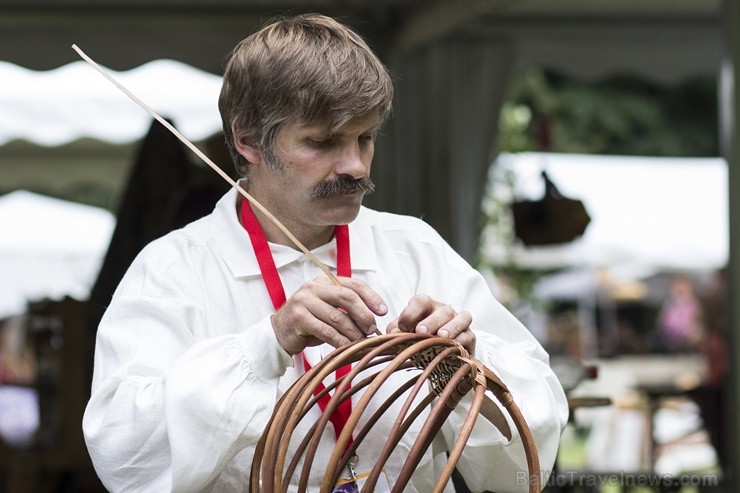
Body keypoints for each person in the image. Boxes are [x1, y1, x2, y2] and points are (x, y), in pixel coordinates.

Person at [82, 13, 568, 492]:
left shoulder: (415, 250)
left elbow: (531, 446)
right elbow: (124, 454)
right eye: (323, 142)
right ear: (248, 139)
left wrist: (463, 365)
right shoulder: (174, 270)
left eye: (366, 137)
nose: (355, 165)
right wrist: (267, 343)